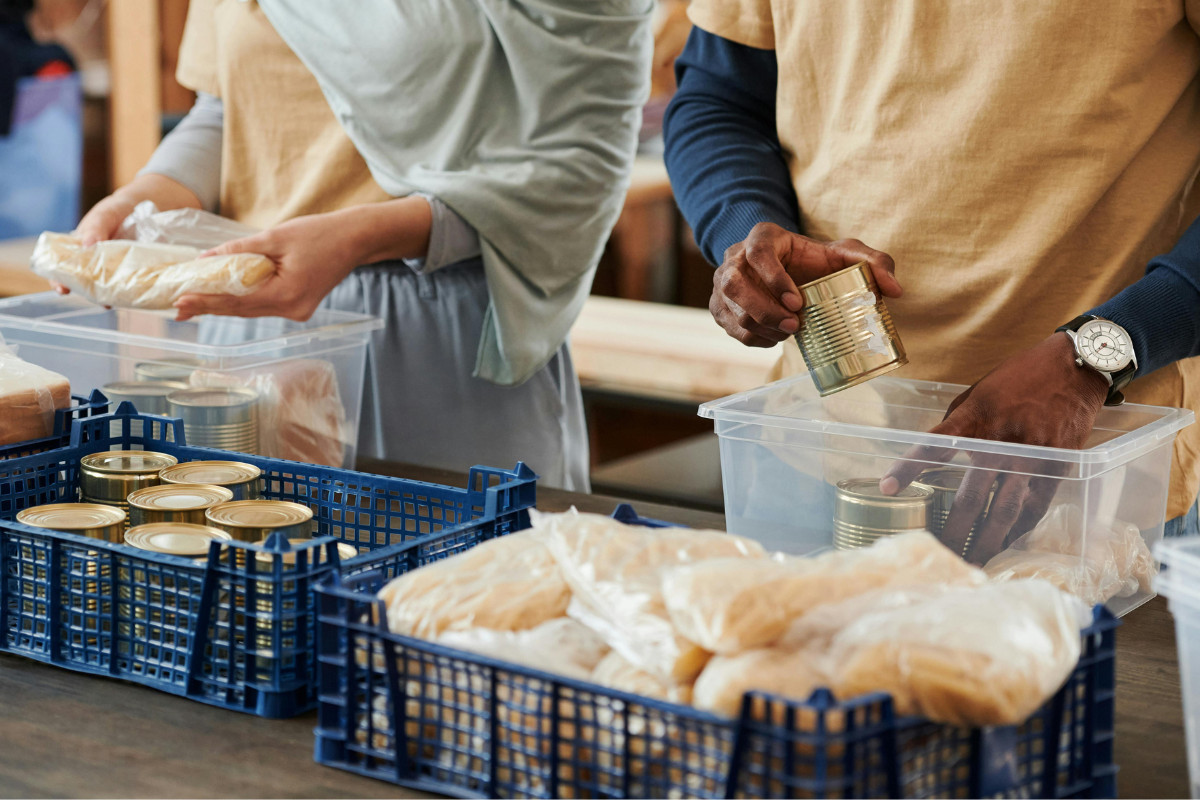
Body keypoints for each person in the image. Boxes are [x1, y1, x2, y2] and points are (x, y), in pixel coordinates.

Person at [663, 3, 1200, 559]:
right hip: (819, 443)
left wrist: (1098, 354)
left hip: (1094, 480)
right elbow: (718, 99)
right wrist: (748, 231)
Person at [70, 0, 653, 490]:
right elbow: (227, 108)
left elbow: (582, 164)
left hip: (440, 339)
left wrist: (358, 235)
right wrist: (144, 196)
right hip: (251, 340)